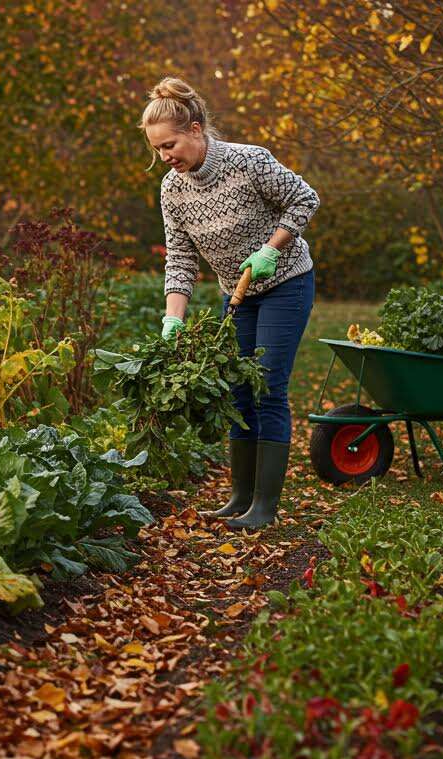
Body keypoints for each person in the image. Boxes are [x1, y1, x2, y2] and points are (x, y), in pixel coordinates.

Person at [140, 76, 319, 531]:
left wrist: (271, 250)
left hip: (285, 282)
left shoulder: (248, 161)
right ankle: (240, 496)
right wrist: (172, 319)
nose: (165, 157)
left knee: (267, 386)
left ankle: (264, 506)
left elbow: (304, 199)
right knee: (237, 390)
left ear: (195, 129)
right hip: (235, 294)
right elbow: (180, 259)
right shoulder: (172, 190)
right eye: (158, 150)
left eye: (170, 145)